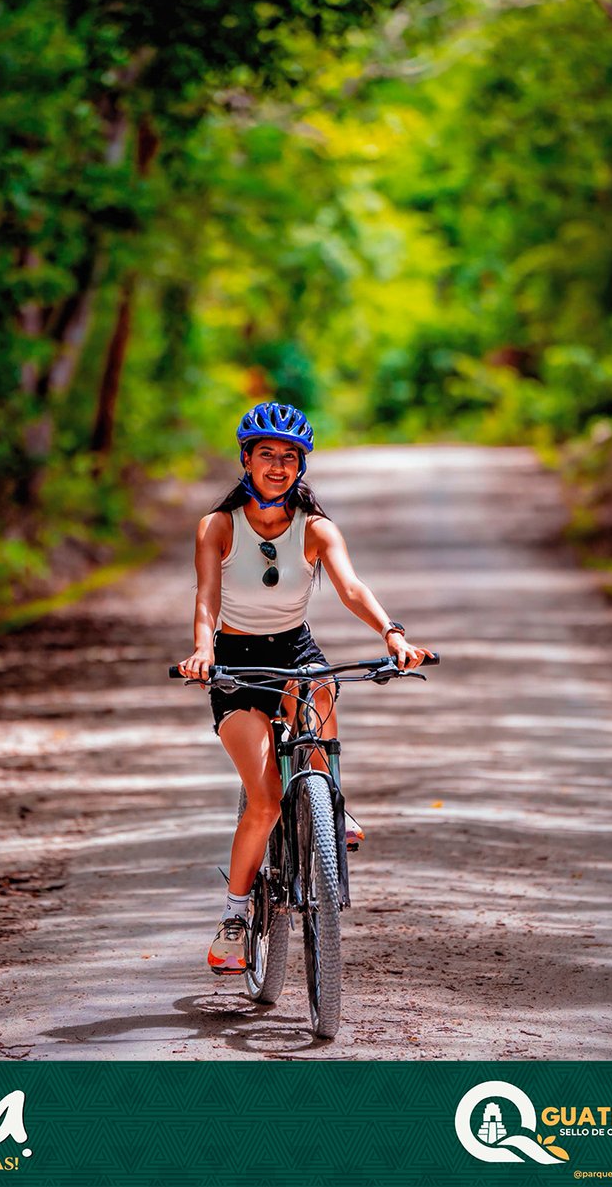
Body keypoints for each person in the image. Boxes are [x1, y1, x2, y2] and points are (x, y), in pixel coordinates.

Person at [177, 402, 434, 975]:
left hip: (294, 650)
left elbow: (351, 587)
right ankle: (235, 919)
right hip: (236, 663)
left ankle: (328, 805)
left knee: (321, 684)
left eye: (288, 457)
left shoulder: (317, 529)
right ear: (246, 459)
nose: (277, 465)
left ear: (300, 468)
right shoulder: (218, 525)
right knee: (265, 798)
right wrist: (204, 650)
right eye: (266, 455)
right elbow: (206, 599)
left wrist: (393, 633)